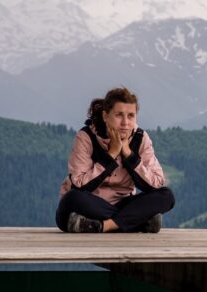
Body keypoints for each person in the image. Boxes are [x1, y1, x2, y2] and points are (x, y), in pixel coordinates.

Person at [56, 86, 175, 233]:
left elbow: (156, 184)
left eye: (131, 116)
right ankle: (137, 222)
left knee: (166, 196)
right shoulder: (86, 137)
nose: (125, 122)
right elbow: (80, 185)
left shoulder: (140, 138)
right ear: (106, 116)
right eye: (119, 115)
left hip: (123, 203)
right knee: (72, 198)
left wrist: (128, 154)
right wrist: (111, 155)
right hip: (90, 204)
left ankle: (103, 226)